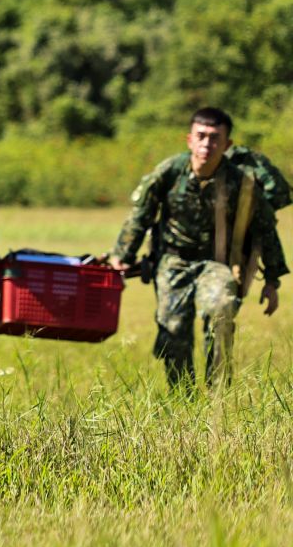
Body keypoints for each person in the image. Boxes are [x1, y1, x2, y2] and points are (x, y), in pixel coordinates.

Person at [106, 107, 284, 389]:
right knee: (172, 328)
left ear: (226, 145)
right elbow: (140, 215)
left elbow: (265, 228)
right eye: (200, 136)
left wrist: (272, 281)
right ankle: (182, 397)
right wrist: (122, 256)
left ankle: (218, 394)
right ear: (189, 139)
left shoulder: (239, 181)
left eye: (215, 138)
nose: (206, 145)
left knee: (221, 310)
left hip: (217, 264)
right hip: (172, 261)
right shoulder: (170, 172)